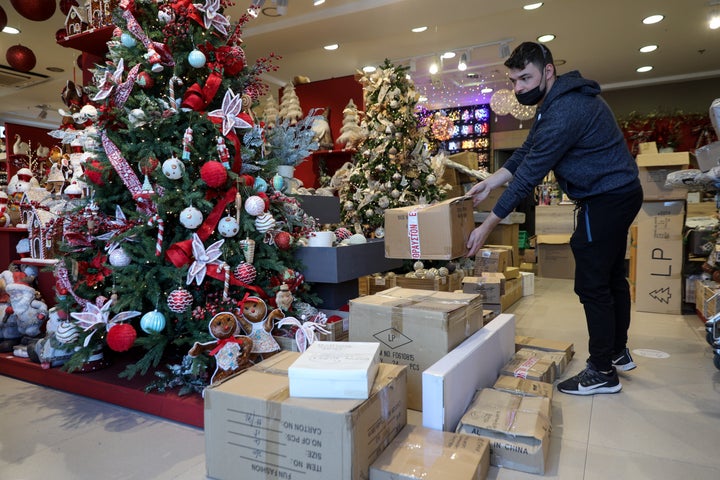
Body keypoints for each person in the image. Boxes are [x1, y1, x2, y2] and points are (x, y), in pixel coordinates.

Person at [465, 42, 643, 395]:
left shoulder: (565, 109)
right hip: (619, 192)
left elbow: (530, 174)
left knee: (592, 284)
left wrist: (486, 226)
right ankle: (616, 351)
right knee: (610, 277)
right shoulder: (556, 103)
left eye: (526, 78)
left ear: (548, 71)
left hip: (604, 198)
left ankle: (602, 370)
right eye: (514, 81)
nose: (519, 89)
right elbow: (528, 151)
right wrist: (490, 181)